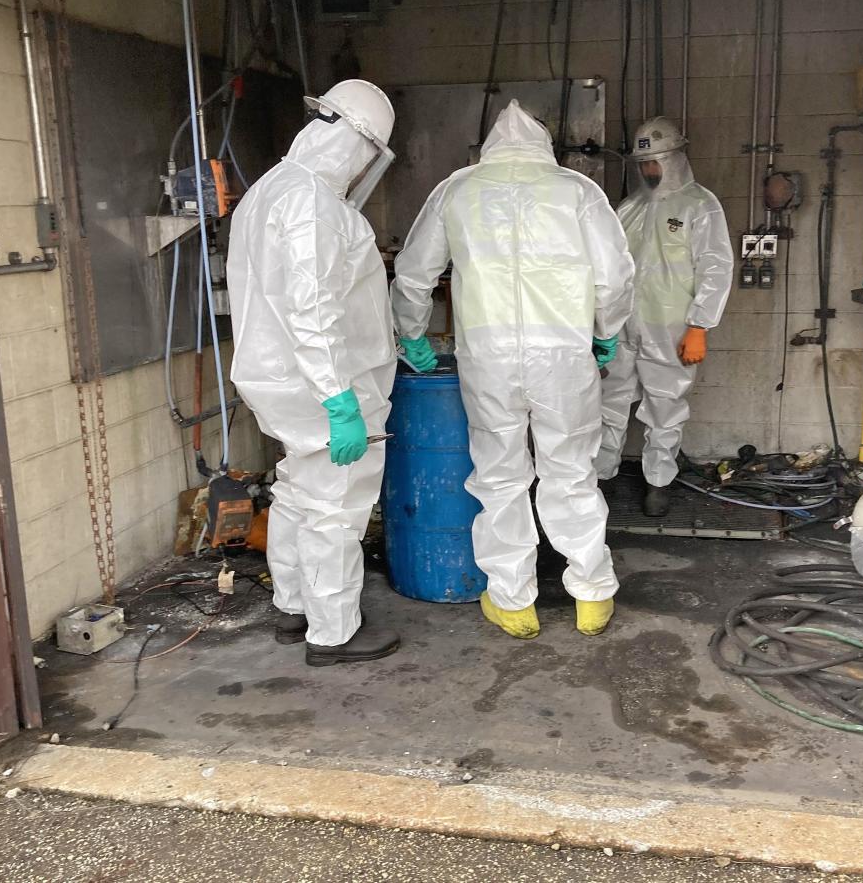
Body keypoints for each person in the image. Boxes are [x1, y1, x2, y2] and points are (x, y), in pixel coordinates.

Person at [391, 100, 635, 640]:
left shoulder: (457, 189)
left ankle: (512, 601)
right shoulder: (578, 190)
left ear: (490, 147)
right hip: (564, 357)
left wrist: (412, 334)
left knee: (499, 477)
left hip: (489, 358)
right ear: (544, 145)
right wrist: (605, 331)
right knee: (571, 472)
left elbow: (413, 273)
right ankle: (592, 595)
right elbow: (615, 278)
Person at [226, 80, 400, 667]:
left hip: (283, 382)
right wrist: (339, 399)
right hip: (327, 384)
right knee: (336, 504)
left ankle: (293, 605)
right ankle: (334, 632)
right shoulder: (313, 205)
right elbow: (315, 309)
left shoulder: (271, 190)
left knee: (300, 492)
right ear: (359, 142)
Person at [596, 116, 733, 517]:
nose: (649, 170)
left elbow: (715, 266)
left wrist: (699, 326)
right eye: (643, 164)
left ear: (676, 158)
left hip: (671, 328)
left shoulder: (700, 206)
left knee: (665, 406)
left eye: (656, 162)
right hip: (622, 327)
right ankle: (601, 476)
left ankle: (658, 482)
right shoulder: (629, 207)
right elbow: (609, 269)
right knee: (608, 403)